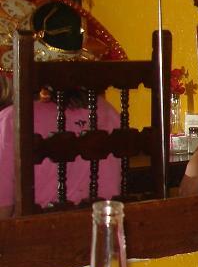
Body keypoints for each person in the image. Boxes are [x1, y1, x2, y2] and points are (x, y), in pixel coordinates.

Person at [0, 89, 122, 217]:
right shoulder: (109, 111)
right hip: (105, 225)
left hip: (38, 230)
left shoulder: (12, 120)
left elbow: (3, 212)